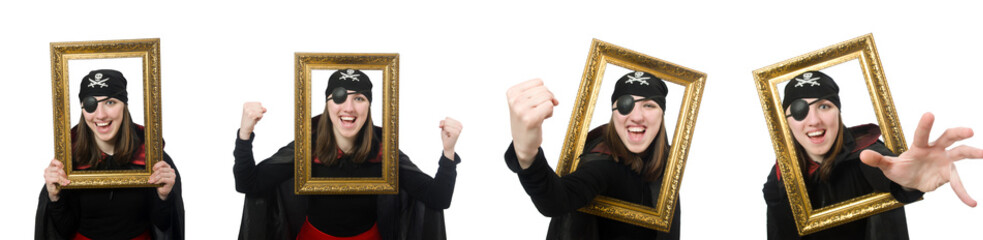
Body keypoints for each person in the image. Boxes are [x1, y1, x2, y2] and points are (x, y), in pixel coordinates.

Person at [234, 68, 462, 240]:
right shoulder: (307, 146)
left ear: (369, 106)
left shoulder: (384, 150)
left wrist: (448, 152)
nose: (349, 108)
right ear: (328, 103)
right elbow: (249, 184)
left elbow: (438, 198)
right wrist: (245, 134)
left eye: (359, 98)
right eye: (340, 97)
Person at [762, 71, 983, 240]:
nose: (814, 121)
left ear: (838, 113)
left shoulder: (867, 153)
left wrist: (910, 183)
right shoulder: (782, 174)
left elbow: (888, 172)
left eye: (824, 106)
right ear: (787, 122)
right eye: (801, 110)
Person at [504, 71, 681, 240]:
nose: (636, 117)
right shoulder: (603, 163)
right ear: (614, 112)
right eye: (626, 105)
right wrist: (527, 153)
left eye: (649, 105)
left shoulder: (669, 159)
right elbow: (557, 199)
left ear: (662, 114)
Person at [35, 69, 186, 240]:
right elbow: (62, 229)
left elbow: (165, 226)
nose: (100, 115)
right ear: (83, 109)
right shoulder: (68, 161)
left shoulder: (153, 157)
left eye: (110, 102)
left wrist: (164, 197)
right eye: (91, 104)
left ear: (124, 106)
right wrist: (54, 198)